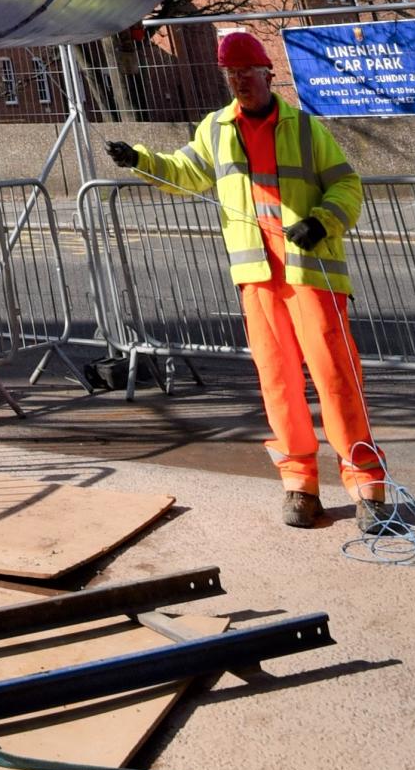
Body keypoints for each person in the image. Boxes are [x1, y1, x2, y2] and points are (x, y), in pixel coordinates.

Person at [106, 28, 390, 533]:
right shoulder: (215, 128)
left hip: (311, 272)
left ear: (267, 73)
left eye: (247, 72)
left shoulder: (304, 127)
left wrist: (323, 219)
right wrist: (141, 160)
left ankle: (367, 486)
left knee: (336, 379)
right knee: (277, 381)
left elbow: (345, 183)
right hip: (257, 276)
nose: (240, 81)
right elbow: (185, 173)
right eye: (231, 74)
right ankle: (299, 484)